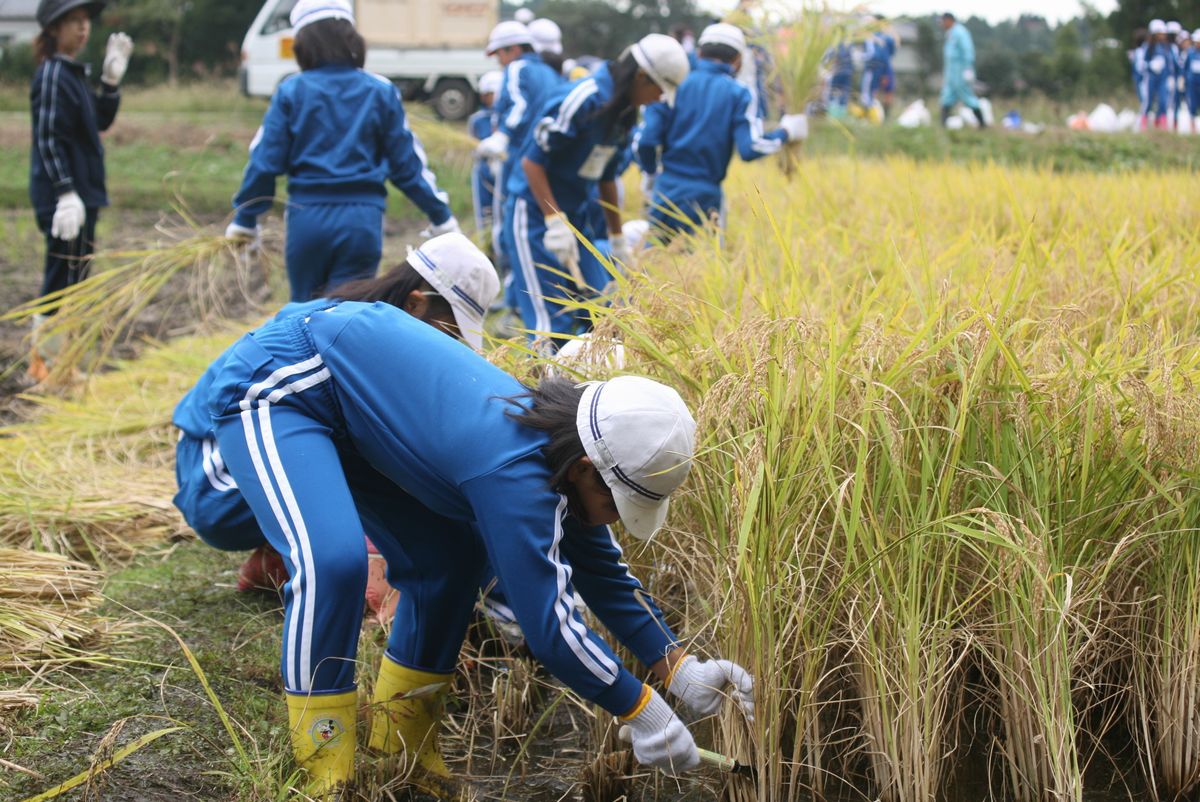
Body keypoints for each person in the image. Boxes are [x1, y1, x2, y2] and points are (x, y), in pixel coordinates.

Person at [204, 300, 754, 794]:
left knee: (450, 558)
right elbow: (551, 626)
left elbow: (600, 570)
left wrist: (680, 668)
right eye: (616, 504)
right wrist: (644, 712)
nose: (612, 519)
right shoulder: (514, 469)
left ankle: (403, 745)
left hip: (351, 410)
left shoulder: (565, 456)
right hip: (280, 381)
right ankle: (323, 769)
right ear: (587, 468)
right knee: (333, 564)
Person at [173, 233, 498, 617]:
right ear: (415, 304)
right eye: (449, 331)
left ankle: (275, 560)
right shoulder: (323, 324)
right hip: (213, 482)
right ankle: (368, 570)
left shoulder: (370, 333)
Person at [225, 0, 459, 303]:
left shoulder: (292, 91)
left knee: (303, 316)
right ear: (351, 38)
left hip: (306, 218)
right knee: (347, 317)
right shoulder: (380, 91)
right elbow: (407, 165)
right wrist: (441, 217)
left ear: (303, 44)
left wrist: (246, 219)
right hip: (361, 222)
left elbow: (264, 161)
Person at [502, 34, 690, 348]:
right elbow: (532, 161)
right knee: (552, 321)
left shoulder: (624, 113)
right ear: (641, 77)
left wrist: (617, 240)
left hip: (575, 215)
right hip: (534, 214)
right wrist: (553, 220)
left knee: (604, 306)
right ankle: (544, 389)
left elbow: (605, 176)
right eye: (659, 89)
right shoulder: (583, 99)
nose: (659, 98)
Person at [27, 0, 132, 382]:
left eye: (85, 21)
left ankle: (64, 365)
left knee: (77, 279)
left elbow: (99, 122)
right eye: (73, 21)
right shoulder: (54, 74)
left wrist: (109, 83)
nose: (83, 28)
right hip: (65, 200)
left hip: (82, 195)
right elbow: (49, 138)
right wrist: (65, 192)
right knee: (60, 277)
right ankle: (44, 367)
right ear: (54, 29)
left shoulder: (72, 74)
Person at [635, 23, 807, 239]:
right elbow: (751, 148)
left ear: (699, 53)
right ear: (737, 60)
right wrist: (786, 132)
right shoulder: (739, 93)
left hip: (665, 189)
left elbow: (646, 140)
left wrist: (650, 174)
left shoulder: (673, 83)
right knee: (700, 264)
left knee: (652, 261)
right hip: (704, 196)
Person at [477, 20, 561, 308]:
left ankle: (516, 303)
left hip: (519, 168)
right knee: (540, 244)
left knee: (512, 235)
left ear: (512, 49)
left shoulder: (517, 68)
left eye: (499, 54)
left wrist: (502, 137)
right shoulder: (550, 73)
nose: (500, 62)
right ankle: (534, 304)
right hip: (547, 171)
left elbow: (520, 106)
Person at [468, 70, 503, 234]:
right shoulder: (477, 119)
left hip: (502, 167)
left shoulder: (505, 117)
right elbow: (471, 145)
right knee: (485, 211)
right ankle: (487, 248)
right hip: (483, 169)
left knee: (502, 210)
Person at [939, 12, 985, 128]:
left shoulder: (960, 32)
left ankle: (982, 123)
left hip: (961, 72)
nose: (942, 24)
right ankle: (942, 124)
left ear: (949, 20)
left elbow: (968, 52)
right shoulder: (950, 34)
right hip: (951, 73)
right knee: (947, 96)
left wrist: (967, 70)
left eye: (943, 21)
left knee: (967, 95)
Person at [1140, 19, 1173, 130]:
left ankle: (1162, 124)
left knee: (1163, 101)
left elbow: (1170, 64)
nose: (1162, 36)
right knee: (1148, 102)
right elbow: (1141, 64)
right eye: (1160, 33)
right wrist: (1150, 65)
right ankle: (1143, 123)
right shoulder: (1148, 47)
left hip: (1163, 79)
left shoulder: (1166, 47)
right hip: (1151, 78)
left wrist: (1171, 76)